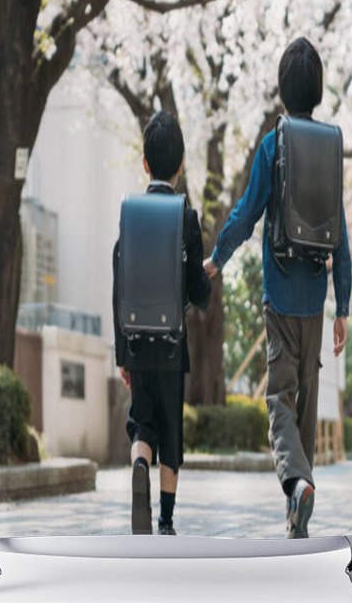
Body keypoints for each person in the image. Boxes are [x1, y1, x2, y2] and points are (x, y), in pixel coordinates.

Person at [204, 37, 351, 538]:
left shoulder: (274, 144)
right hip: (315, 299)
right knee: (305, 402)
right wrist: (343, 306)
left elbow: (247, 214)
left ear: (283, 89)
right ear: (318, 89)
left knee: (278, 402)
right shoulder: (331, 148)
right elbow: (342, 233)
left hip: (279, 297)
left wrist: (218, 256)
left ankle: (296, 484)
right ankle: (299, 510)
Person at [114, 110, 211, 535]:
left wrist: (122, 353)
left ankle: (139, 462)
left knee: (143, 423)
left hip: (135, 343)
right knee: (171, 436)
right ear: (182, 163)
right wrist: (205, 277)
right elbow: (198, 292)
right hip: (172, 349)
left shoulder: (130, 214)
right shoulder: (185, 217)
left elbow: (119, 279)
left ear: (145, 163)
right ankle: (166, 521)